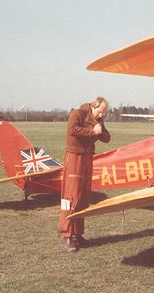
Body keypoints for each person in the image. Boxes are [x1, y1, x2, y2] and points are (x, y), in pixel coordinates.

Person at [58, 97, 111, 252]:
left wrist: (99, 127)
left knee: (82, 197)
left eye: (104, 114)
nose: (102, 115)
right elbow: (72, 130)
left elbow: (107, 138)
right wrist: (91, 131)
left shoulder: (97, 120)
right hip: (75, 157)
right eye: (101, 112)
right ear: (94, 106)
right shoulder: (77, 114)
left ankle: (77, 234)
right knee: (70, 196)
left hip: (87, 158)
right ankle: (66, 234)